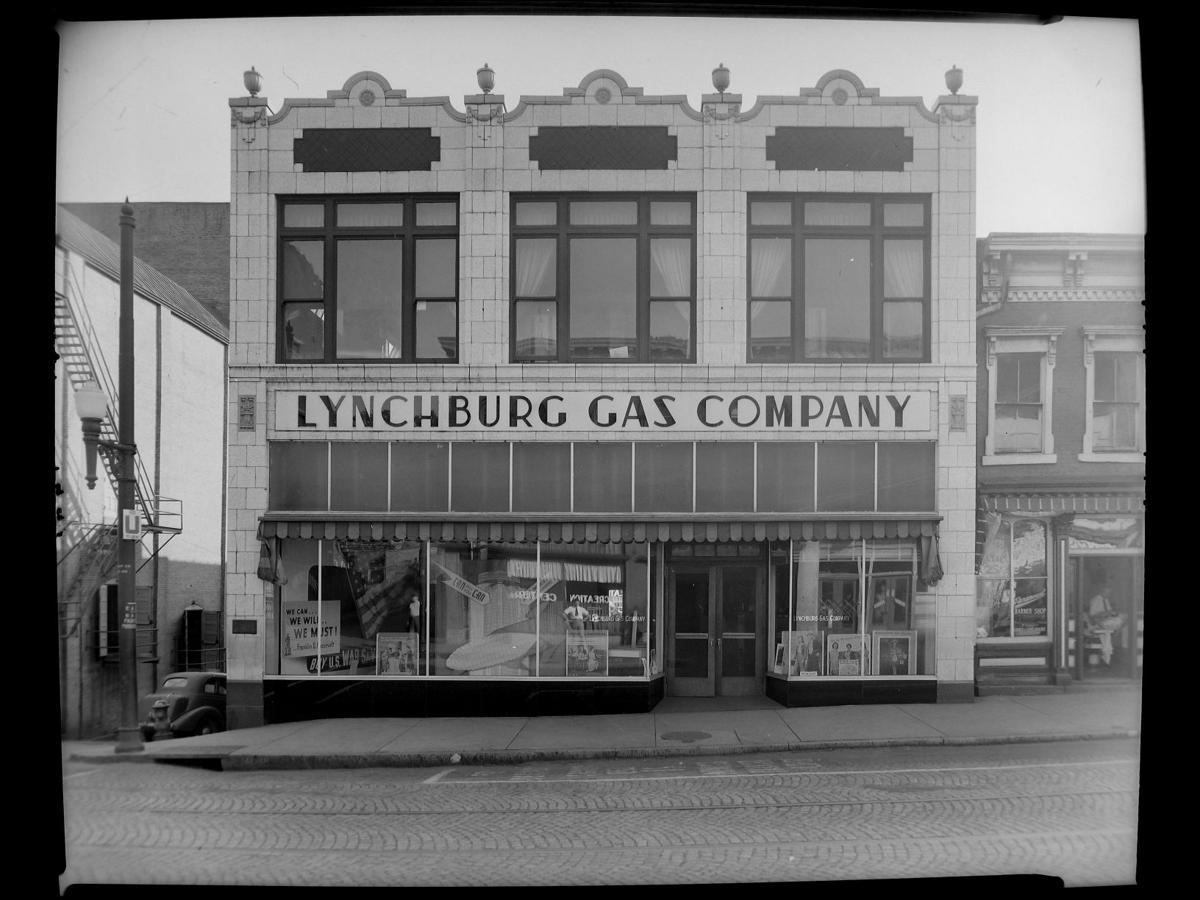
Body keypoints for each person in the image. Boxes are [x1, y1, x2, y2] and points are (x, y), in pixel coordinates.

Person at [1086, 582, 1126, 666]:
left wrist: (1112, 613)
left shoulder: (1106, 600)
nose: (1108, 595)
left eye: (1109, 593)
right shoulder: (1095, 600)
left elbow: (1109, 612)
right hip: (1097, 623)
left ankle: (1107, 656)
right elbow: (1092, 616)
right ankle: (1106, 657)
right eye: (1107, 593)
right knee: (1117, 624)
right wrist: (1105, 613)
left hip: (1106, 621)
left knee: (1123, 617)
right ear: (1102, 591)